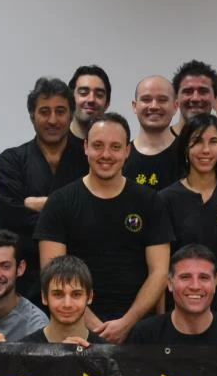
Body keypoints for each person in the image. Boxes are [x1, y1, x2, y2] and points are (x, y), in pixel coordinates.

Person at [36, 113, 172, 340]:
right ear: (85, 147)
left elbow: (159, 272)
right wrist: (97, 330)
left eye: (115, 147)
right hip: (76, 332)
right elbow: (52, 273)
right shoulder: (60, 202)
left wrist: (127, 323)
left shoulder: (150, 201)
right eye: (98, 145)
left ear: (127, 151)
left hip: (139, 330)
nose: (106, 155)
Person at [0, 77, 82, 300]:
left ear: (71, 114)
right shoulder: (11, 161)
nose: (52, 120)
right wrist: (70, 212)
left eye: (60, 111)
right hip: (24, 283)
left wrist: (38, 204)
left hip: (80, 276)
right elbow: (9, 220)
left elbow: (96, 215)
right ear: (32, 115)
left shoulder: (87, 159)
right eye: (44, 112)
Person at [160, 113, 217, 319]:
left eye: (213, 142)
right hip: (179, 308)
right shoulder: (165, 200)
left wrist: (211, 279)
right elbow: (160, 267)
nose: (205, 150)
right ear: (185, 147)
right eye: (197, 142)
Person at [127, 246, 217, 350]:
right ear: (169, 284)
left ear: (214, 284)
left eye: (204, 278)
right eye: (185, 277)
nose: (195, 286)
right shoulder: (145, 336)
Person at [10, 254, 96, 347]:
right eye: (58, 294)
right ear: (44, 297)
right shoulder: (23, 349)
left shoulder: (105, 351)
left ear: (90, 297)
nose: (67, 304)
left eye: (76, 294)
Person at [126, 75, 185, 190]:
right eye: (146, 99)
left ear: (175, 106)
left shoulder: (188, 156)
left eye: (162, 100)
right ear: (135, 106)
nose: (154, 106)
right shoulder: (121, 157)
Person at [170, 61, 217, 135]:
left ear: (215, 98)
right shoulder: (160, 141)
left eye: (203, 91)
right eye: (188, 91)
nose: (195, 98)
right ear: (176, 98)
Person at [70, 65, 111, 138]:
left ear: (107, 103)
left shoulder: (116, 142)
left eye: (99, 95)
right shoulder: (55, 141)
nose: (91, 99)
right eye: (83, 93)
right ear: (70, 99)